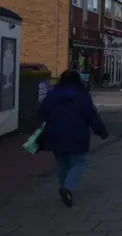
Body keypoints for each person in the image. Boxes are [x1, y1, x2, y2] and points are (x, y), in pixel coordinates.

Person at [38, 70, 109, 208]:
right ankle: (67, 188)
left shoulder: (52, 94)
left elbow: (41, 111)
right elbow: (91, 116)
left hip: (55, 134)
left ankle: (64, 187)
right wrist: (102, 132)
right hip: (77, 134)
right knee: (80, 161)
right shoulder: (82, 96)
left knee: (62, 163)